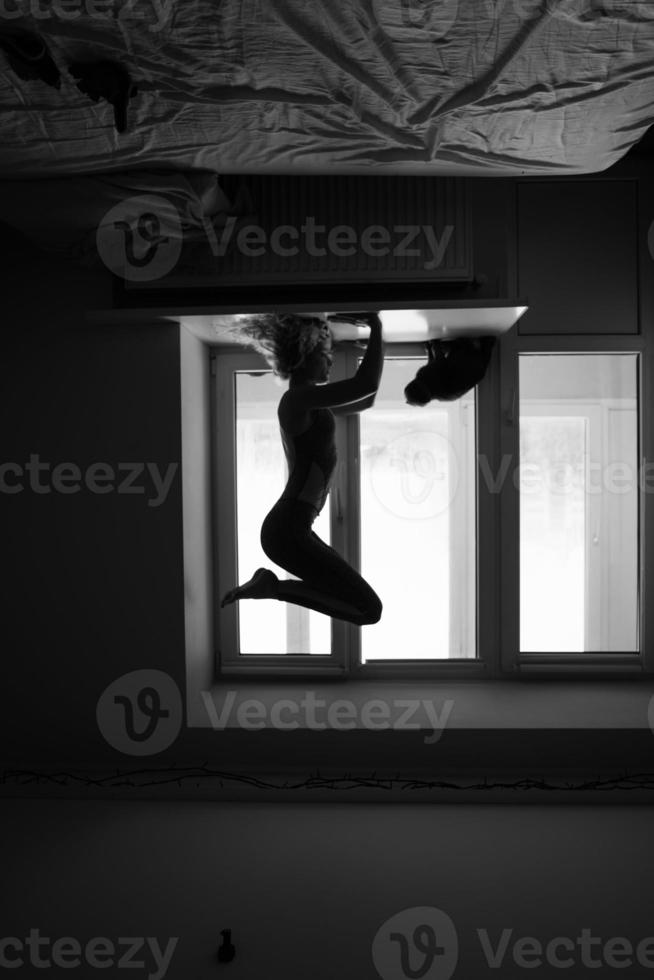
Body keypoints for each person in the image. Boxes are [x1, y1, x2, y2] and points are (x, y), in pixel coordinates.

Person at [221, 311, 384, 626]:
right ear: (303, 357)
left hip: (292, 529)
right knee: (368, 610)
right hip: (287, 530)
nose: (331, 362)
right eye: (325, 355)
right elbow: (365, 385)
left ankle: (271, 587)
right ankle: (273, 588)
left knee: (364, 607)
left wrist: (373, 342)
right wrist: (376, 326)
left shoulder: (310, 405)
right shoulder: (295, 402)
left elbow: (366, 397)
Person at [404, 336, 495, 405]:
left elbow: (432, 365)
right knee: (455, 344)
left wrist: (430, 349)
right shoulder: (440, 388)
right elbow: (439, 363)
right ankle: (475, 344)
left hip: (473, 361)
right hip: (470, 359)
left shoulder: (426, 381)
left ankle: (480, 344)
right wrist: (435, 344)